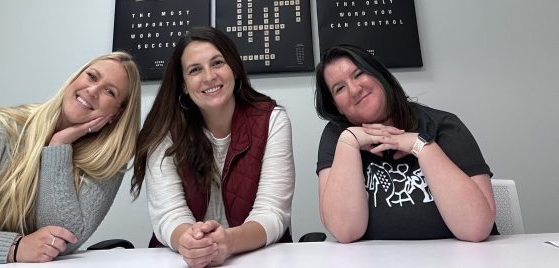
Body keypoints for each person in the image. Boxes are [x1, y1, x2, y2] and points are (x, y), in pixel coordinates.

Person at [0, 51, 141, 267]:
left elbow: (62, 240)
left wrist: (58, 146)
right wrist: (15, 247)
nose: (92, 90)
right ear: (75, 79)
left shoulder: (107, 164)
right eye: (91, 77)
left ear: (116, 114)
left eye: (110, 91)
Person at [131, 26, 295, 267]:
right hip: (184, 260)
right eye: (195, 70)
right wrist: (192, 242)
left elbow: (272, 212)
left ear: (235, 70)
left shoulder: (272, 120)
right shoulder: (163, 130)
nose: (209, 76)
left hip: (257, 258)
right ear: (184, 85)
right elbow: (168, 214)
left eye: (217, 63)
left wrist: (228, 241)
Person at [314, 44, 498, 243]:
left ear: (379, 75)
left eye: (359, 74)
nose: (354, 89)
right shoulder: (337, 136)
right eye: (339, 88)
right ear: (336, 106)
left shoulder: (444, 126)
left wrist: (422, 146)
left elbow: (476, 228)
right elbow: (346, 231)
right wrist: (348, 143)